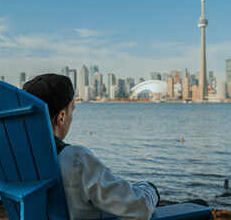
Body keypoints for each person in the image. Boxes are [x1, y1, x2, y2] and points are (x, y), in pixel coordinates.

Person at [23, 74, 159, 220]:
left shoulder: (13, 158)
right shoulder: (75, 159)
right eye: (72, 110)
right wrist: (149, 189)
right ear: (61, 117)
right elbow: (139, 208)